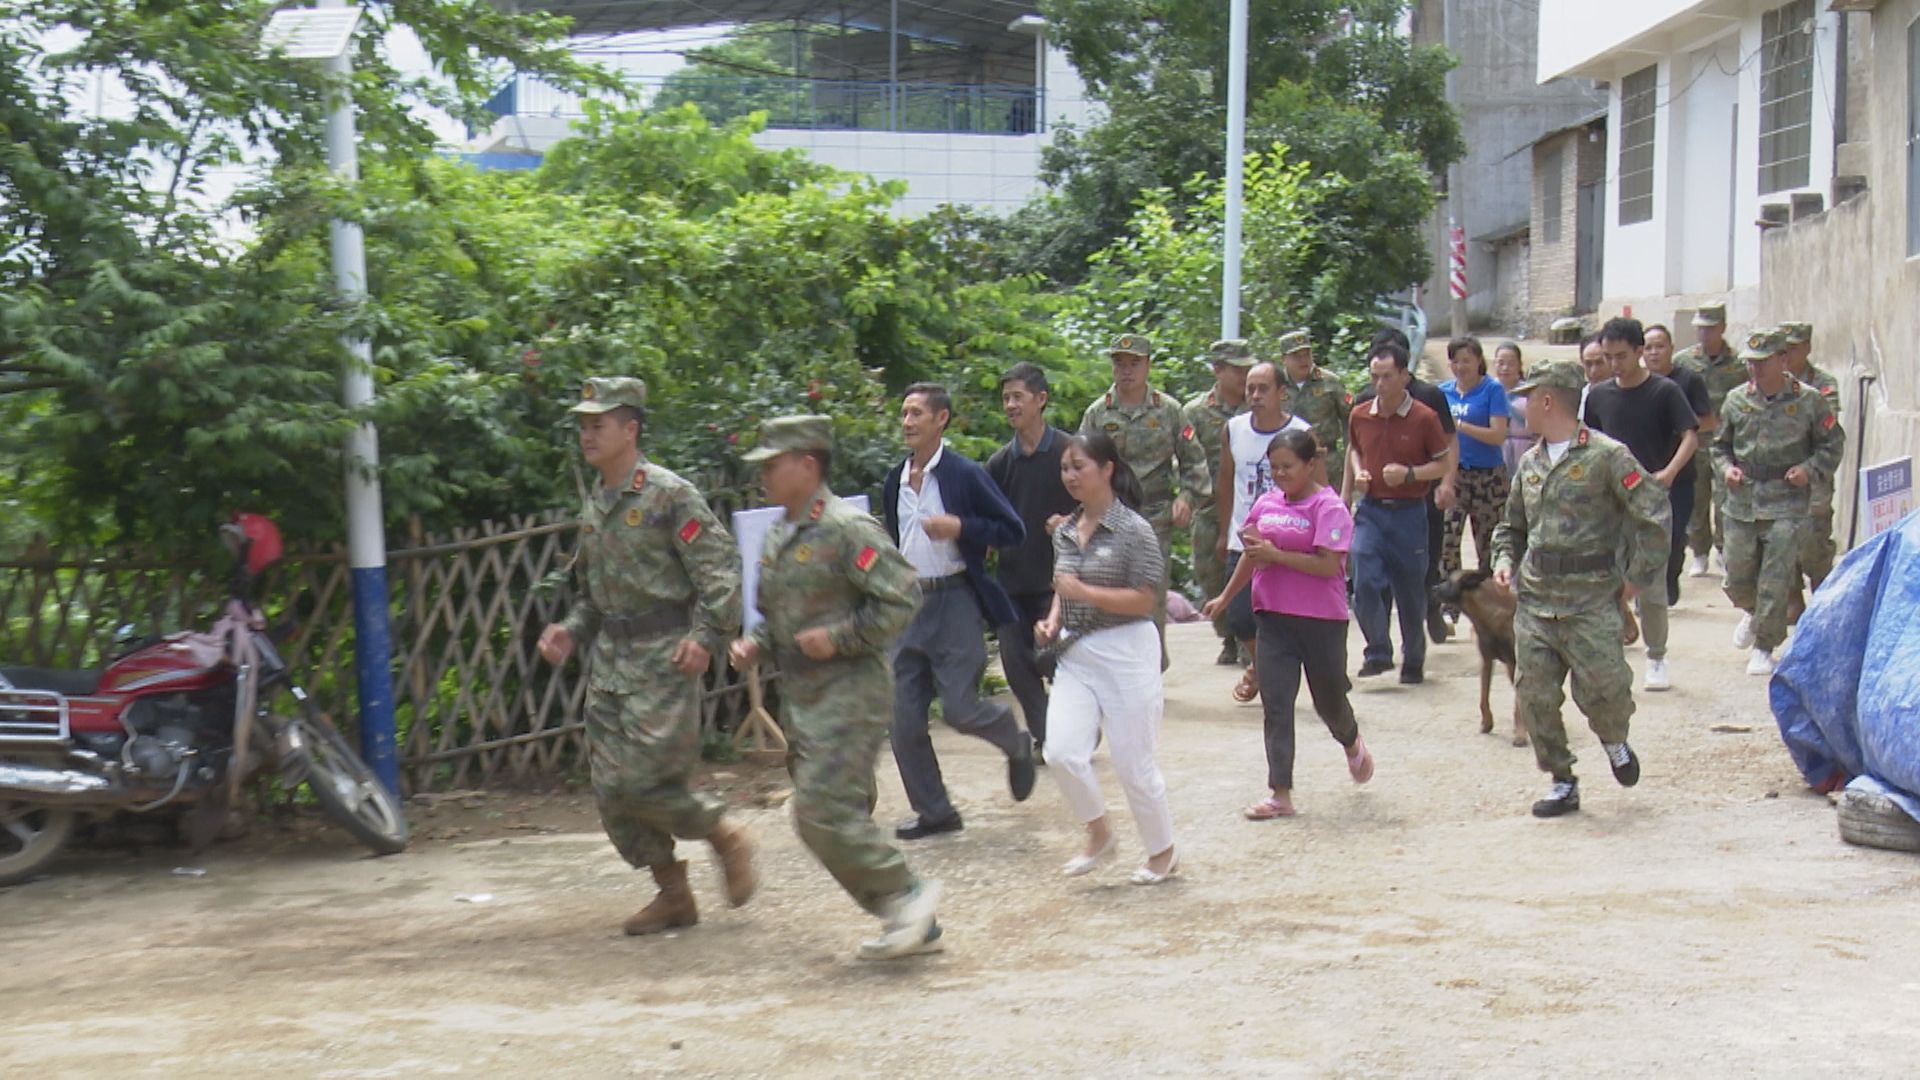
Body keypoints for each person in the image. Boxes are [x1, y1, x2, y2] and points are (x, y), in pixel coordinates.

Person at [537, 376, 756, 937]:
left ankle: (723, 834)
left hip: (664, 659)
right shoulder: (597, 504)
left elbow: (720, 571)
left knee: (646, 784)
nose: (587, 434)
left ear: (630, 429)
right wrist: (571, 630)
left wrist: (706, 637)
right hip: (610, 664)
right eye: (583, 425)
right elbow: (593, 596)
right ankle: (672, 893)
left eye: (599, 425)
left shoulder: (667, 495)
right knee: (612, 793)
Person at [729, 415, 944, 961]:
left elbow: (901, 598)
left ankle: (909, 896)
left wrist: (841, 637)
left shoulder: (849, 529)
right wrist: (756, 643)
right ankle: (908, 916)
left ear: (808, 464)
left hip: (851, 693)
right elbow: (779, 614)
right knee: (829, 815)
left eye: (773, 463)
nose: (765, 474)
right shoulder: (780, 532)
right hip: (803, 700)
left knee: (819, 812)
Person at [1491, 360, 1671, 818]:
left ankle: (1615, 741)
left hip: (1590, 599)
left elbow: (1652, 514)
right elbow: (1510, 526)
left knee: (1604, 693)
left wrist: (1635, 579)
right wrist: (1505, 561)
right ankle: (1562, 779)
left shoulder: (1608, 457)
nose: (1522, 405)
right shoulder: (1529, 464)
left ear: (1548, 401)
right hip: (1536, 600)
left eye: (1529, 397)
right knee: (1533, 695)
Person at [882, 383, 1036, 840]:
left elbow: (1013, 528)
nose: (907, 422)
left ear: (941, 420)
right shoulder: (895, 479)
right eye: (904, 413)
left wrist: (961, 526)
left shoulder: (963, 474)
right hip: (909, 605)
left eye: (916, 414)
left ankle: (1013, 737)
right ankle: (935, 812)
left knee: (960, 707)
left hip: (955, 601)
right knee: (902, 717)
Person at [1203, 429, 1373, 820]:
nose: (1279, 474)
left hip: (1321, 622)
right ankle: (1280, 792)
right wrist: (1226, 598)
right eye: (1273, 467)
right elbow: (1251, 554)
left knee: (1328, 701)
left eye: (1288, 467)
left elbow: (1329, 565)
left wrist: (1276, 556)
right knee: (1277, 705)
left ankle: (1350, 741)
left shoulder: (1329, 508)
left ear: (1310, 464)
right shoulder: (1265, 504)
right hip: (1274, 618)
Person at [1036, 431, 1180, 885]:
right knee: (1060, 750)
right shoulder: (1063, 531)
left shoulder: (1135, 530)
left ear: (1107, 469)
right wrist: (1053, 617)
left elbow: (1144, 600)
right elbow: (1064, 583)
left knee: (1132, 761)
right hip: (1077, 649)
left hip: (1127, 649)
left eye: (1080, 466)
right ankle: (1099, 833)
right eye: (1066, 468)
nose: (1071, 476)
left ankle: (1163, 850)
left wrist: (1085, 593)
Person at [1712, 328, 1845, 676]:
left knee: (1776, 577)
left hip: (1787, 502)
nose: (1755, 370)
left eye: (1763, 363)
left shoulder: (1809, 400)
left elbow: (1832, 444)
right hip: (1743, 502)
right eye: (1750, 363)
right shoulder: (1736, 400)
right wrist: (1726, 469)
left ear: (1782, 360)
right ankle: (1755, 614)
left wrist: (1809, 469)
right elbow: (1719, 447)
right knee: (1737, 578)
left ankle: (1764, 646)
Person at [1581, 317, 1699, 692]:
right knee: (1604, 578)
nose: (1614, 364)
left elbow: (1690, 436)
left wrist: (1669, 472)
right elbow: (1587, 442)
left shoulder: (1664, 392)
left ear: (1638, 352)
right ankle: (1609, 653)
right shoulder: (1599, 396)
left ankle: (1657, 656)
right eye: (1607, 357)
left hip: (1650, 499)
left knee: (1650, 583)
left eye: (1621, 356)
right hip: (1609, 501)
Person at [1080, 333, 1207, 665]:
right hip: (1110, 516)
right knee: (1105, 592)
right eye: (1119, 363)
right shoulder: (1096, 413)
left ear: (1148, 366)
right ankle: (1114, 663)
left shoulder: (1169, 411)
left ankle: (1150, 663)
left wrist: (1188, 499)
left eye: (1134, 363)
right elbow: (1081, 465)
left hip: (1154, 518)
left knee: (1150, 594)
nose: (1126, 371)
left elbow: (1195, 462)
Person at [986, 363, 1079, 759]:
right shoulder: (999, 464)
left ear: (1041, 400)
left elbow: (1103, 508)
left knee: (1056, 661)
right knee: (1015, 664)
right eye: (1006, 398)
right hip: (1011, 582)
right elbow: (986, 515)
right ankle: (1046, 737)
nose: (1010, 405)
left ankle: (1075, 730)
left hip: (1059, 582)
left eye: (1018, 397)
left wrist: (1069, 522)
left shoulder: (1069, 453)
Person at [1347, 341, 1453, 684]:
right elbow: (1354, 449)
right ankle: (1378, 649)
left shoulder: (1424, 417)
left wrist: (1410, 474)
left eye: (1387, 377)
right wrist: (1358, 475)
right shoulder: (1361, 413)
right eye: (1375, 376)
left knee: (1410, 589)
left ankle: (1414, 656)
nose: (1380, 384)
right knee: (1363, 579)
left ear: (1404, 376)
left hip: (1409, 511)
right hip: (1371, 510)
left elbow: (1443, 462)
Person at [1214, 360, 1314, 702]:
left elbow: (1319, 485)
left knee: (1281, 617)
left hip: (1289, 538)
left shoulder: (1301, 432)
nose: (1255, 396)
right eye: (1250, 389)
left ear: (1282, 393)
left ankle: (1269, 673)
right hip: (1244, 539)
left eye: (1263, 389)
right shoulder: (1234, 429)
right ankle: (1262, 666)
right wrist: (1224, 530)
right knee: (1240, 618)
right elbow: (1226, 482)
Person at [1182, 340, 1254, 666]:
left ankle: (1246, 641)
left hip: (1250, 505)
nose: (1244, 375)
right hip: (1209, 508)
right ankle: (1227, 635)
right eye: (1236, 369)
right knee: (1210, 574)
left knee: (1244, 575)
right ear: (1218, 371)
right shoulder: (1195, 411)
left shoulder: (1259, 405)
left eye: (1246, 368)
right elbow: (1183, 459)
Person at [1643, 323, 1714, 604]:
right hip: (1644, 471)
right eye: (1648, 347)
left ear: (1671, 349)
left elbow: (1709, 420)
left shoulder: (1688, 380)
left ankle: (1671, 577)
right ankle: (1647, 589)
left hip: (1680, 473)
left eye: (1660, 346)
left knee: (1673, 533)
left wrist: (1682, 425)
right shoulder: (1636, 384)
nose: (1654, 352)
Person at [1677, 302, 1745, 577]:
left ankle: (1722, 549)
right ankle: (1700, 551)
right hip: (1695, 439)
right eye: (1700, 328)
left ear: (1722, 328)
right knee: (1696, 498)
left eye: (1710, 328)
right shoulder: (1685, 362)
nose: (1704, 334)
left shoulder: (1739, 364)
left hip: (1726, 442)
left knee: (1724, 497)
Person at [1780, 321, 1842, 608]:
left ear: (1807, 348)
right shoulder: (1769, 382)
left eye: (1793, 348)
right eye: (1784, 349)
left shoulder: (1823, 384)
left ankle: (1823, 598)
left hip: (1814, 473)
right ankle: (1792, 601)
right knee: (1781, 538)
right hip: (1779, 476)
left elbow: (1824, 427)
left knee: (1815, 541)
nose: (1787, 354)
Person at [1438, 336, 1511, 579]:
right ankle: (1450, 603)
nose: (1461, 367)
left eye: (1466, 361)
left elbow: (1498, 435)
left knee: (1489, 545)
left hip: (1488, 477)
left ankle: (1489, 600)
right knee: (1447, 540)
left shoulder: (1492, 389)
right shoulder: (1443, 392)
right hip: (1454, 474)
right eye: (1455, 361)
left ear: (1479, 361)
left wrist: (1459, 425)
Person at [1276, 329, 1353, 495]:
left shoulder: (1330, 382)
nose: (1303, 360)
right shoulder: (1276, 385)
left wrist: (1350, 458)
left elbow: (1350, 420)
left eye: (1307, 354)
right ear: (1283, 359)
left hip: (1327, 463)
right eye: (1297, 356)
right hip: (1287, 466)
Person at [1494, 341, 1533, 479]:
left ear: (1519, 365)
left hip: (1525, 452)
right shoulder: (1487, 391)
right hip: (1495, 452)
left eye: (1511, 363)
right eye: (1501, 363)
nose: (1505, 368)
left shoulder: (1530, 392)